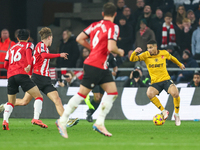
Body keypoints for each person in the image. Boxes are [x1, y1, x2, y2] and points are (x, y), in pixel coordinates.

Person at [55, 2, 124, 138]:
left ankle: (99, 123)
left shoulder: (95, 25)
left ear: (103, 14)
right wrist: (120, 51)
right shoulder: (113, 27)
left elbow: (80, 38)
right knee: (82, 94)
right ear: (115, 14)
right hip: (96, 65)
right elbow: (111, 47)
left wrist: (93, 48)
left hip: (99, 65)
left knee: (112, 92)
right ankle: (62, 120)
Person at [0, 27, 79, 128]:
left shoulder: (44, 48)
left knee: (57, 99)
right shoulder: (40, 45)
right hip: (37, 78)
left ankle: (66, 120)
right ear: (49, 37)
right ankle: (7, 105)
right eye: (52, 38)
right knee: (25, 102)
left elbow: (33, 60)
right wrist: (59, 55)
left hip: (45, 79)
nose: (52, 40)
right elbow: (44, 56)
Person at [129, 40, 185, 126]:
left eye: (150, 47)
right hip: (155, 82)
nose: (149, 50)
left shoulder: (164, 53)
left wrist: (180, 64)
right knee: (149, 93)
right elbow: (132, 59)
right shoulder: (145, 55)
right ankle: (163, 111)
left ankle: (176, 115)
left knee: (175, 93)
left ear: (156, 47)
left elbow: (172, 58)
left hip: (166, 80)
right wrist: (134, 52)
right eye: (148, 48)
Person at [2, 29, 45, 130]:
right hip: (22, 74)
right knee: (38, 96)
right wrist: (29, 65)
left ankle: (5, 121)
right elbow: (29, 54)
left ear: (17, 38)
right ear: (28, 37)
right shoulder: (29, 45)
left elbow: (5, 65)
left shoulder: (11, 48)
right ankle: (36, 118)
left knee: (11, 102)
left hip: (11, 76)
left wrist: (12, 70)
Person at [85, 53, 118, 122]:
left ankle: (90, 113)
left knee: (99, 99)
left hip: (103, 80)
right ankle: (90, 112)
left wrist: (115, 71)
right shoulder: (98, 53)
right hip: (95, 77)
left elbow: (115, 66)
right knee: (97, 98)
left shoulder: (111, 56)